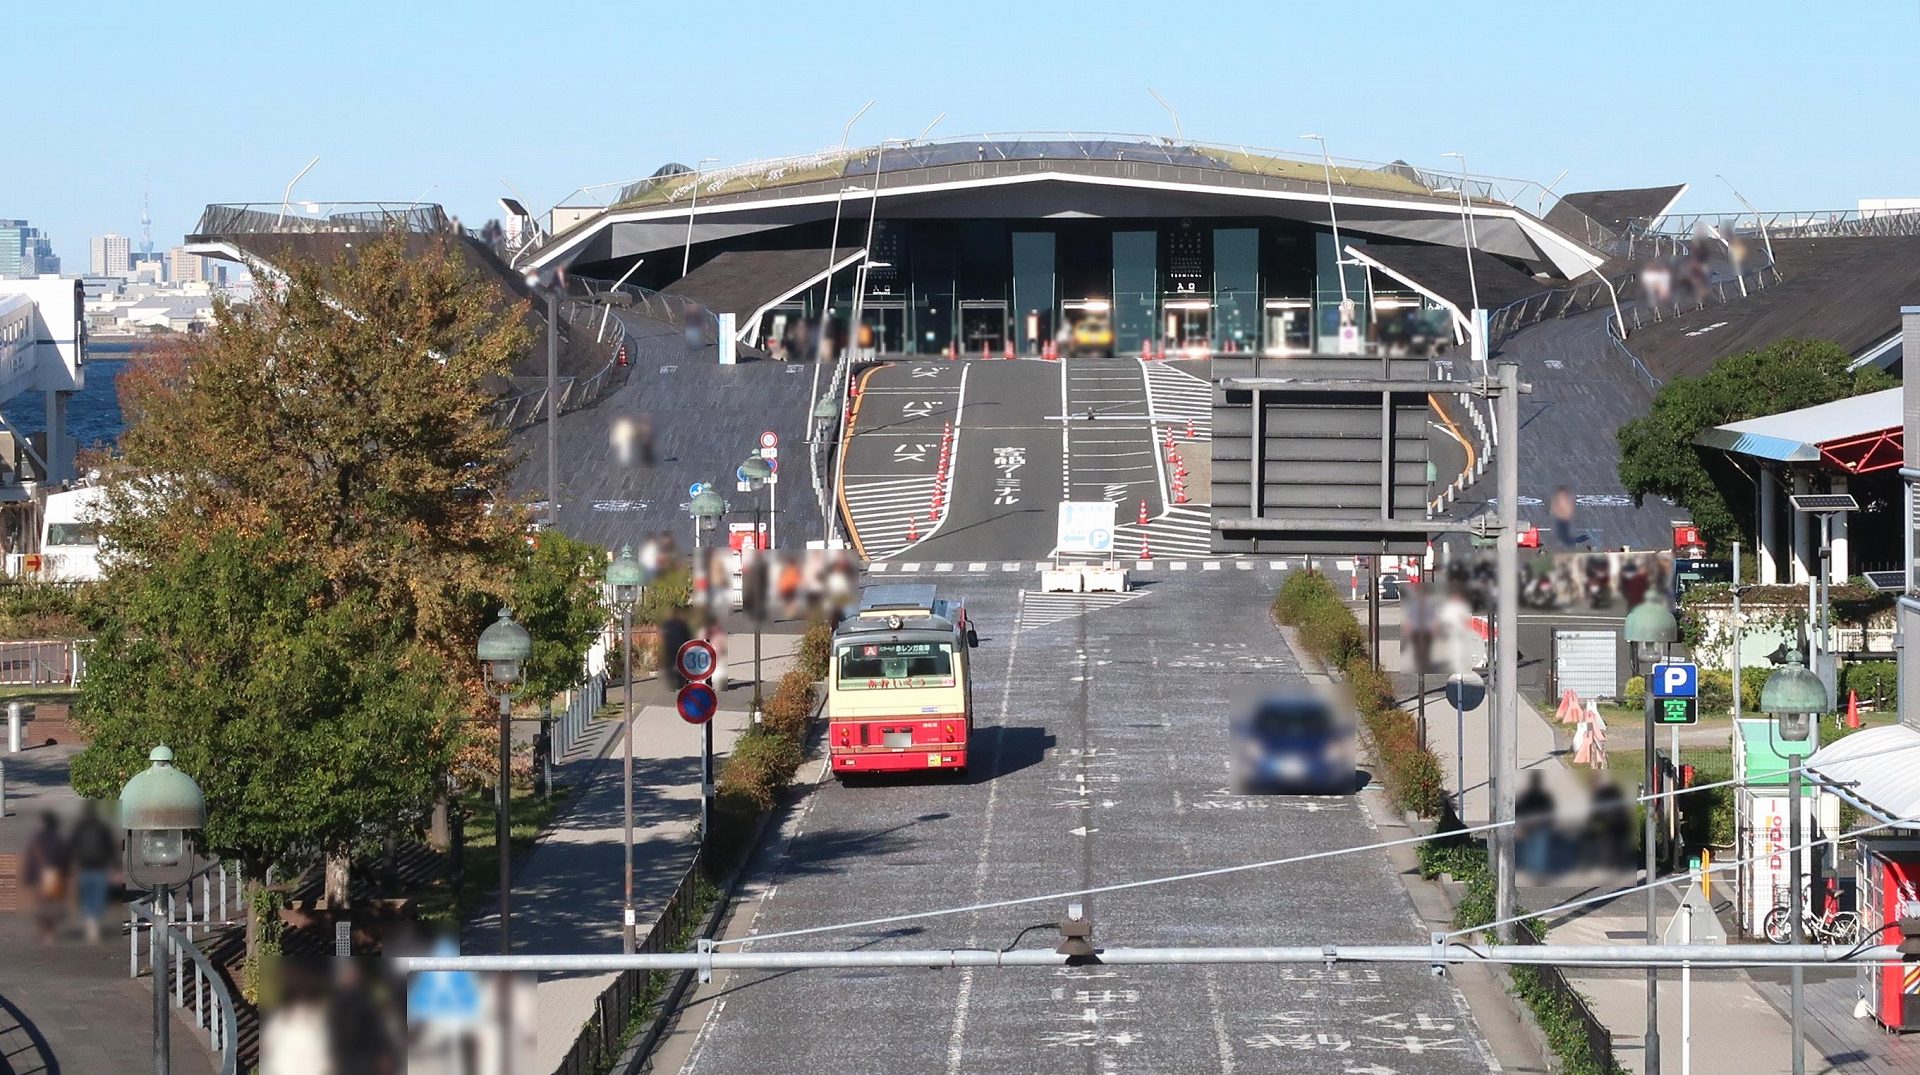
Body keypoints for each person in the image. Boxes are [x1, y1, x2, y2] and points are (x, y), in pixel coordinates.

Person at [69, 801, 118, 943]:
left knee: (86, 895)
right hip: (100, 867)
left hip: (84, 867)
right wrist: (114, 866)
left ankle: (89, 922)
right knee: (98, 896)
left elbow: (72, 846)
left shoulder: (79, 828)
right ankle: (93, 922)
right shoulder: (103, 828)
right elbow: (110, 848)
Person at [22, 813, 72, 943]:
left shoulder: (37, 838)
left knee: (41, 903)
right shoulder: (58, 838)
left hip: (40, 876)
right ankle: (50, 931)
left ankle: (43, 928)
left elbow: (31, 859)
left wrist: (29, 877)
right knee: (53, 904)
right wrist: (66, 874)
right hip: (54, 876)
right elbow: (64, 858)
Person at [1515, 772, 1556, 878]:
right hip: (1540, 826)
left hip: (1530, 826)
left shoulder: (1526, 796)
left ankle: (1533, 870)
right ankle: (1536, 871)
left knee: (1532, 849)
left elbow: (1519, 810)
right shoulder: (1544, 796)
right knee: (1539, 849)